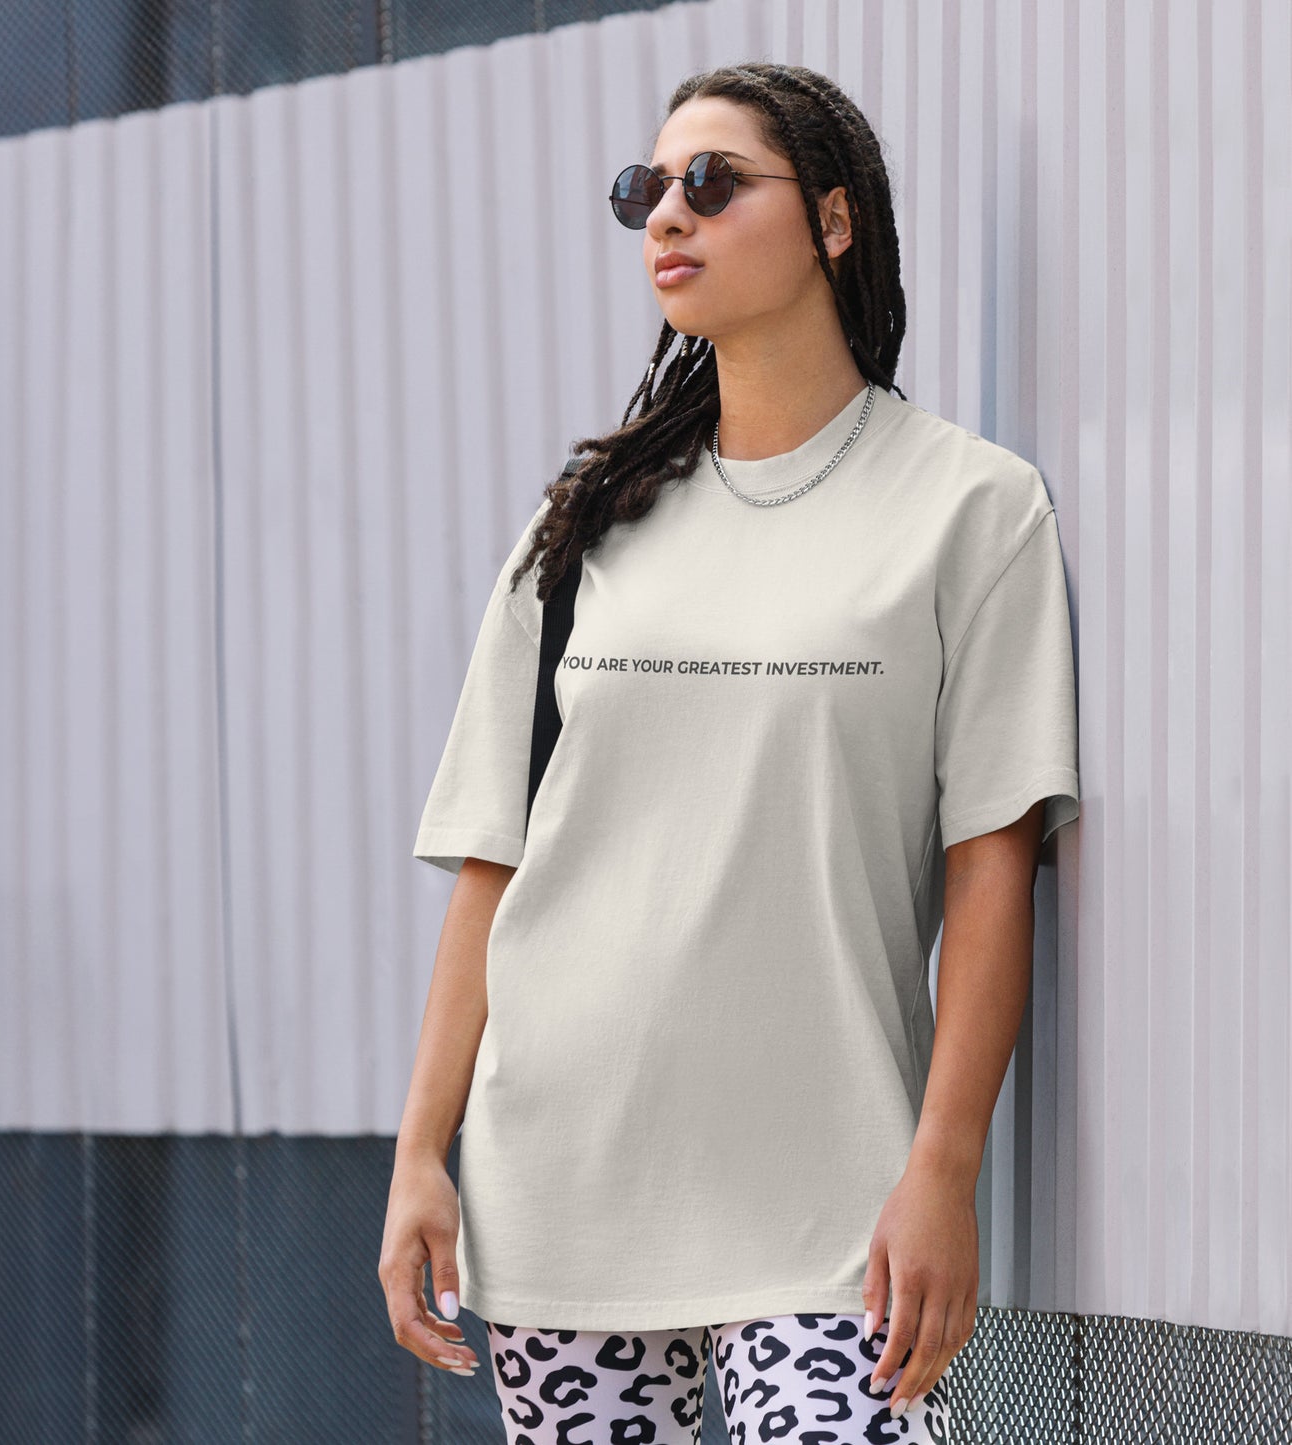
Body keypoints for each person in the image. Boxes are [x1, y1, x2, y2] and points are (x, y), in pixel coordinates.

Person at [380, 60, 1079, 1444]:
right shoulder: (580, 532)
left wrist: (943, 1166)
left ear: (832, 220)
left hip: (832, 1208)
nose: (666, 217)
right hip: (565, 1197)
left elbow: (993, 871)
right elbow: (492, 865)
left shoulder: (967, 509)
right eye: (645, 190)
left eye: (710, 183)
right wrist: (417, 1152)